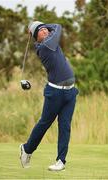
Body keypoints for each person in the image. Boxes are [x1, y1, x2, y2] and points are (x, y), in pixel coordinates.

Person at [20, 21, 79, 171]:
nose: (45, 31)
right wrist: (44, 25)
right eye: (41, 31)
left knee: (65, 126)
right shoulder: (44, 46)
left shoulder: (50, 42)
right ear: (36, 37)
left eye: (46, 29)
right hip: (55, 93)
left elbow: (56, 28)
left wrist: (40, 25)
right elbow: (58, 27)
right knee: (45, 123)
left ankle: (61, 161)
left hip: (70, 92)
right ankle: (27, 149)